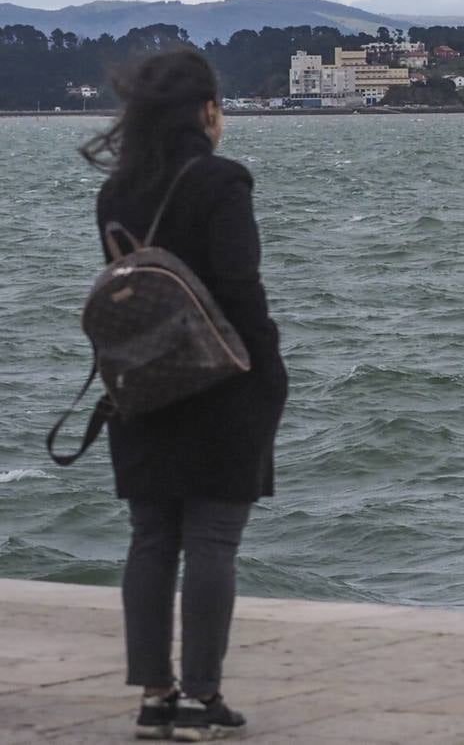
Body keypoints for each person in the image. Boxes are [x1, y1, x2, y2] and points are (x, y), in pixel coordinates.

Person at [81, 49, 287, 741]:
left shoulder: (116, 191)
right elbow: (240, 289)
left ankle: (155, 698)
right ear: (207, 111)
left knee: (151, 537)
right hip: (222, 381)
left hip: (140, 383)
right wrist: (267, 368)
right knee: (211, 539)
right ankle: (204, 697)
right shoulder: (222, 180)